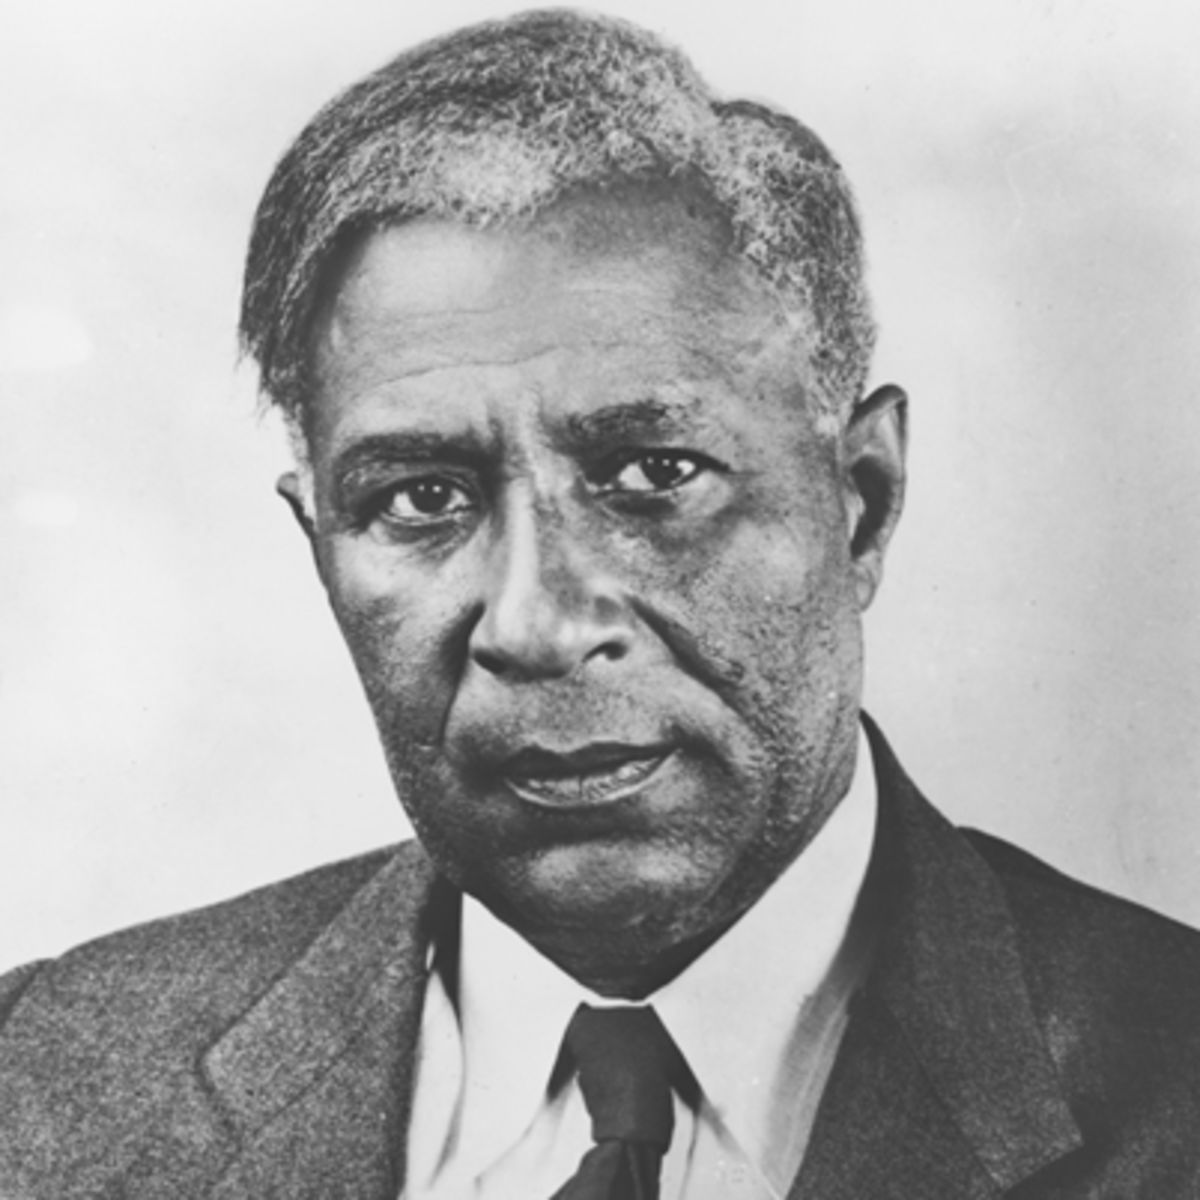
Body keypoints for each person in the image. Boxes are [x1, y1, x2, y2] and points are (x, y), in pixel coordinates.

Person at [1, 9, 1197, 1197]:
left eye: (655, 474)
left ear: (863, 503)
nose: (537, 624)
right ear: (319, 546)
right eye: (421, 498)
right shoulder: (37, 1081)